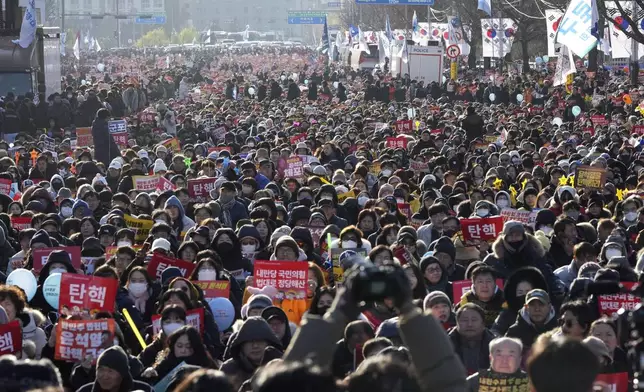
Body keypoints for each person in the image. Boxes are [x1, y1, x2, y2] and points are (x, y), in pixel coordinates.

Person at [77, 346, 153, 392]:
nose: (105, 376)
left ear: (123, 373)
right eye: (101, 370)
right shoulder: (85, 390)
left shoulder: (144, 389)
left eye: (110, 371)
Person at [449, 303, 495, 375]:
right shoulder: (444, 345)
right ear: (457, 323)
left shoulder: (495, 346)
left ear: (483, 324)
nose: (469, 324)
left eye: (474, 320)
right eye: (464, 320)